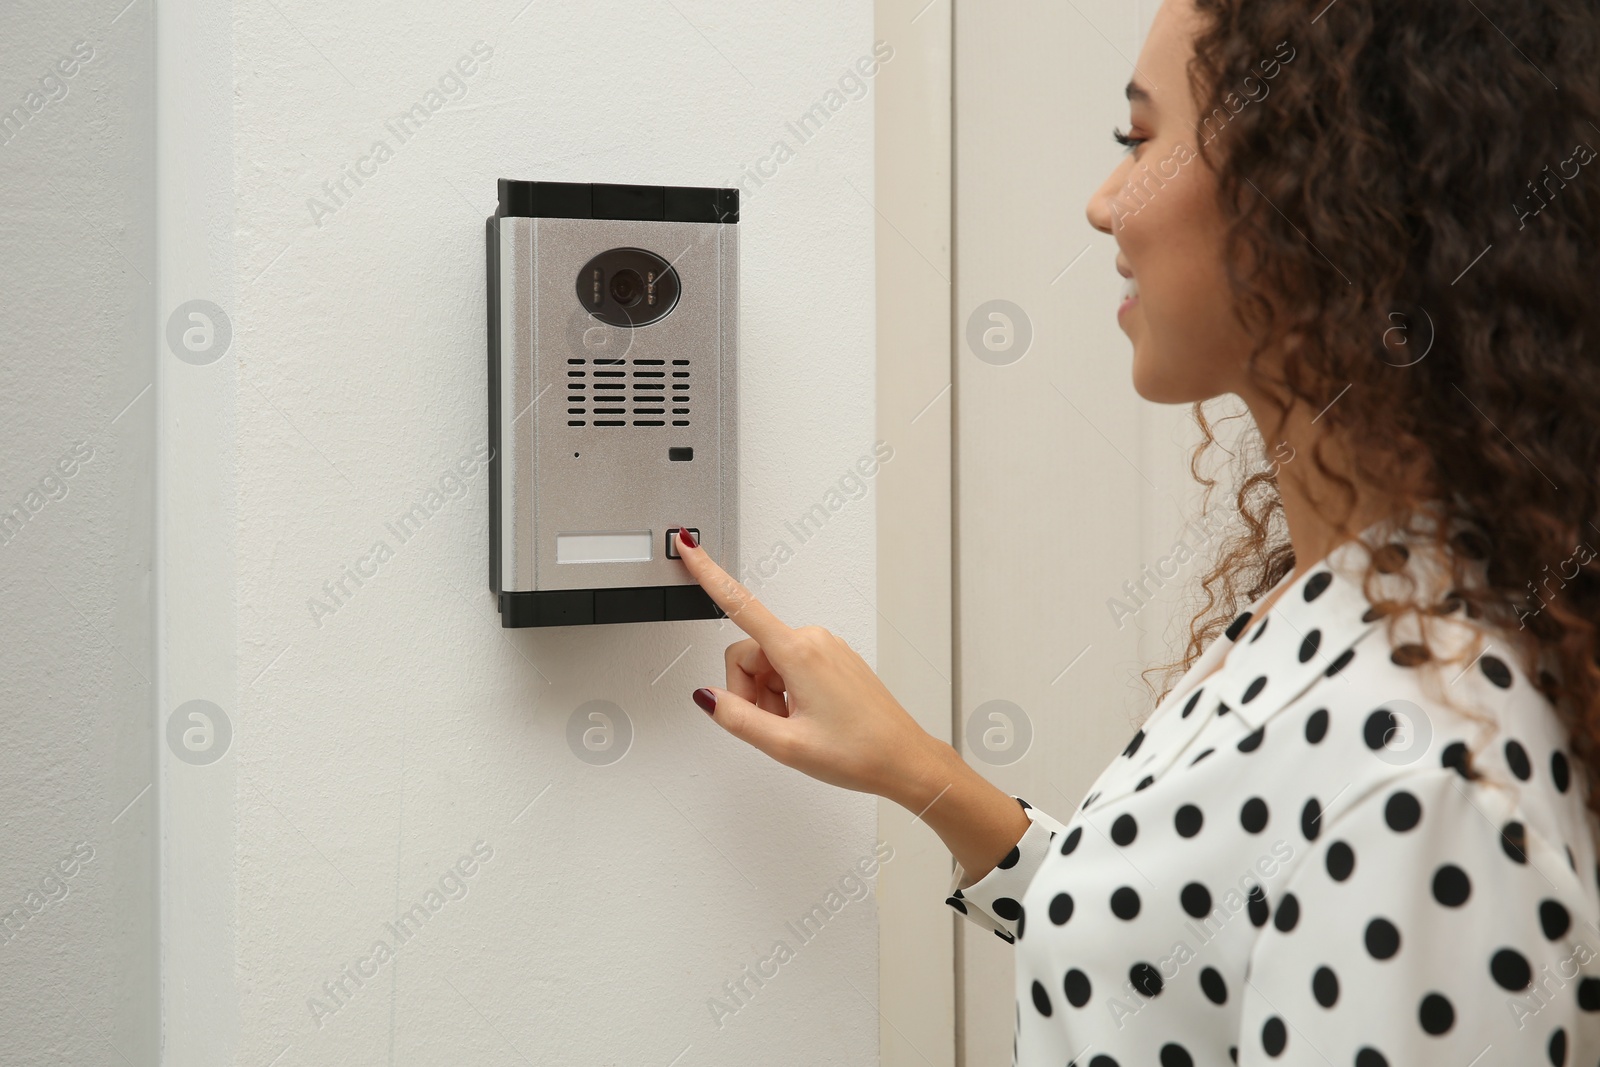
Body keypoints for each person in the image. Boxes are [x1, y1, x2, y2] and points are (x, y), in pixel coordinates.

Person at [674, 0, 1600, 1062]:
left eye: (1140, 139)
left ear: (1330, 187)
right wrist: (915, 769)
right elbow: (1169, 973)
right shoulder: (1350, 605)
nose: (1102, 203)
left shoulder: (1425, 779)